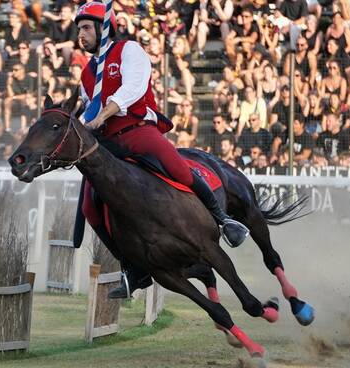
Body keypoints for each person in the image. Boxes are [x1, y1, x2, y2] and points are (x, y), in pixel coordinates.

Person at [73, 2, 249, 299]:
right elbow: (87, 112)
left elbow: (133, 89)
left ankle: (224, 219)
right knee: (90, 208)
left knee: (179, 169)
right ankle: (131, 268)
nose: (81, 34)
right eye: (79, 29)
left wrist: (102, 116)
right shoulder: (87, 75)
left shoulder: (129, 51)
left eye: (87, 28)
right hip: (109, 144)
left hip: (139, 131)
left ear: (105, 29)